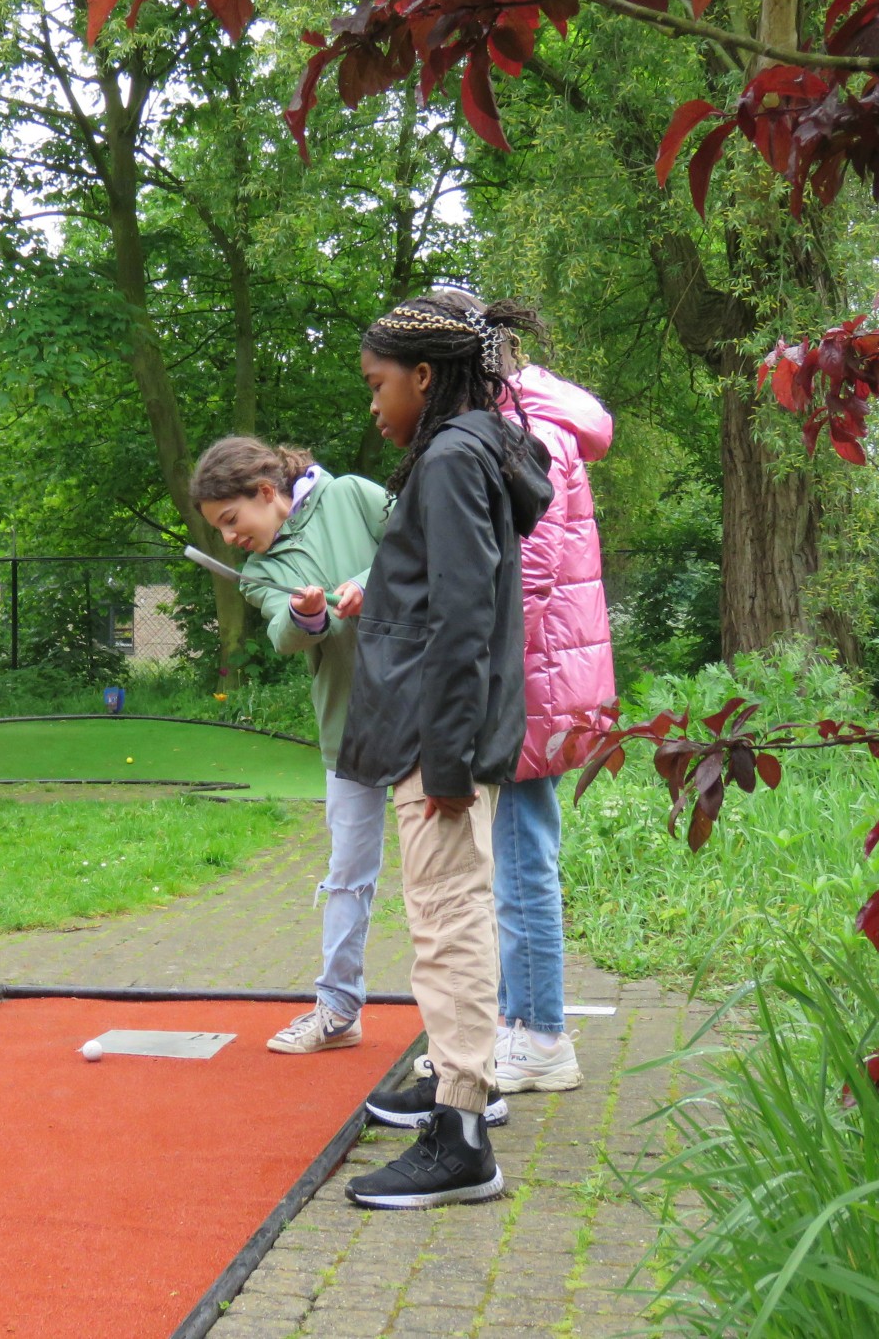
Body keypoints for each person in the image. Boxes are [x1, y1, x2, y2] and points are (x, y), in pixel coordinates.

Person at [338, 289, 553, 1210]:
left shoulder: (452, 460)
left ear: (426, 378)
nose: (373, 405)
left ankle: (460, 1131)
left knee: (447, 919)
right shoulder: (462, 452)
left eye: (378, 385)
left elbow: (465, 620)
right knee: (450, 909)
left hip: (442, 734)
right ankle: (453, 1075)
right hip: (435, 725)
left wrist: (451, 759)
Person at [190, 437, 390, 1054]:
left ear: (268, 493)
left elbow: (424, 545)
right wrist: (309, 613)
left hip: (427, 714)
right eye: (219, 529)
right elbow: (285, 634)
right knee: (348, 873)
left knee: (451, 876)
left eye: (232, 520)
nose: (229, 538)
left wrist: (361, 584)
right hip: (349, 727)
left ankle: (471, 1022)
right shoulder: (259, 571)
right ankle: (337, 1010)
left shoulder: (354, 495)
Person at [490, 307, 615, 1096]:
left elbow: (524, 578)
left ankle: (540, 1034)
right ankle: (519, 1021)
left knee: (520, 852)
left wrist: (483, 679)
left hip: (531, 677)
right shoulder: (538, 415)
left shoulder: (524, 430)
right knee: (519, 845)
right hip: (554, 670)